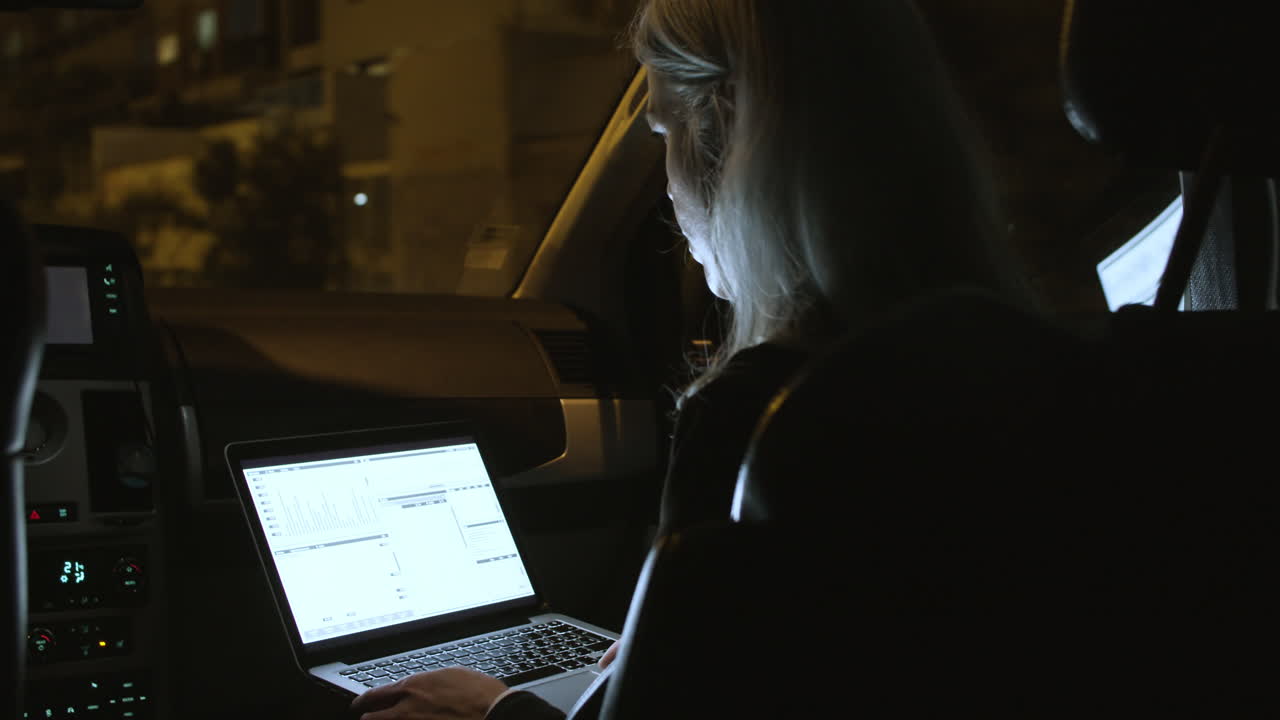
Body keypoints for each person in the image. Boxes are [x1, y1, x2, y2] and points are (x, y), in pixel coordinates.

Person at [349, 1, 1032, 718]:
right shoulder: (1025, 364)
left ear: (725, 136)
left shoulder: (766, 414)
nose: (668, 188)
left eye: (662, 133)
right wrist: (674, 643)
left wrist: (496, 712)